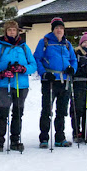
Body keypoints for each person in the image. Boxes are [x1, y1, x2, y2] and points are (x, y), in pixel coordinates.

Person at [0, 20, 37, 152]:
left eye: (14, 30)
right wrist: (1, 73)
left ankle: (15, 140)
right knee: (3, 113)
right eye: (9, 30)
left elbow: (33, 65)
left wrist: (23, 69)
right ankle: (0, 141)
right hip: (5, 85)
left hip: (21, 85)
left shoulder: (24, 48)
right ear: (6, 32)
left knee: (18, 113)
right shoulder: (0, 48)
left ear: (17, 32)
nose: (12, 32)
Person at [33, 17, 78, 148]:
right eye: (57, 28)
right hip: (50, 80)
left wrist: (72, 69)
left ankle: (60, 137)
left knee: (62, 111)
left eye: (61, 28)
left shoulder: (67, 44)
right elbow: (37, 58)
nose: (59, 30)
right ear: (53, 30)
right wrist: (44, 73)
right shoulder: (44, 42)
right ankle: (44, 138)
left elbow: (73, 60)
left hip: (64, 81)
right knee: (47, 109)